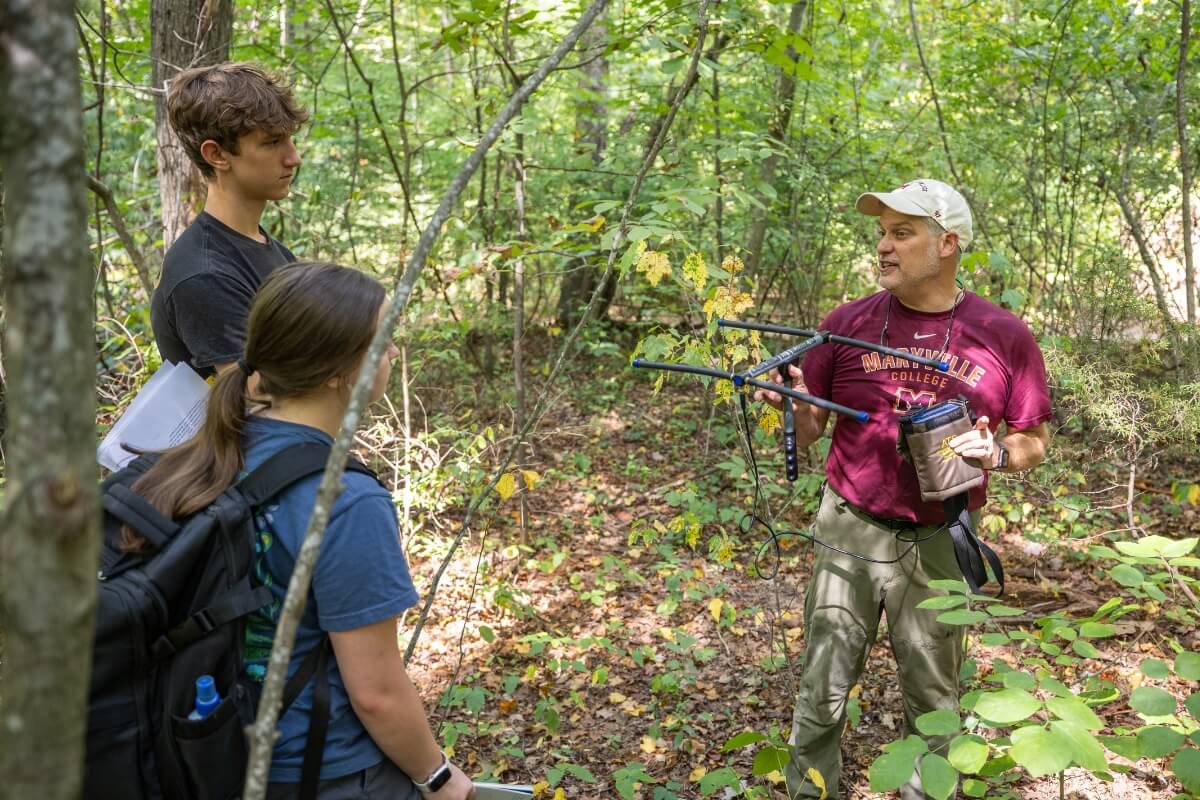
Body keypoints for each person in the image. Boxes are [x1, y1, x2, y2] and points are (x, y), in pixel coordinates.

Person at [128, 261, 475, 799]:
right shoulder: (344, 498)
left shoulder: (198, 452)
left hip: (205, 753)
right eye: (383, 342)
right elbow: (376, 692)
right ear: (342, 371)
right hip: (321, 771)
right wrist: (438, 777)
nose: (393, 355)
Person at [756, 179, 1052, 799]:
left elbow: (1034, 440)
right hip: (850, 528)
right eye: (882, 233)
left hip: (941, 538)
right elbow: (809, 432)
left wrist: (994, 451)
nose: (884, 248)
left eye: (901, 233)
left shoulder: (1003, 334)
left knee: (935, 703)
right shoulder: (846, 324)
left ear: (946, 243)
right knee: (822, 691)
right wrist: (790, 404)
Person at [150, 61, 307, 377]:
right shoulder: (204, 273)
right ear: (217, 155)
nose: (294, 157)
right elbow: (257, 405)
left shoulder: (267, 249)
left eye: (289, 139)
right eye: (272, 142)